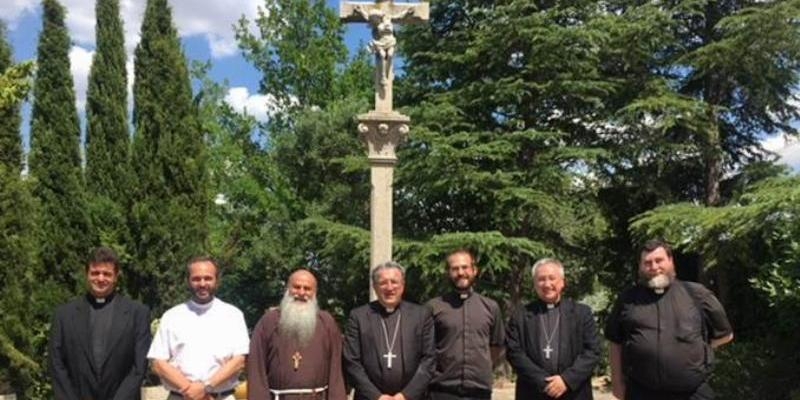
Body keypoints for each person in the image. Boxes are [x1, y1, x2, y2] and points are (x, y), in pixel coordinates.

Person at [605, 240, 734, 400]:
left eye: (659, 260)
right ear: (640, 266)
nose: (654, 267)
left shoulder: (697, 294)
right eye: (647, 263)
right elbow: (615, 341)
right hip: (642, 392)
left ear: (670, 261)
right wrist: (617, 383)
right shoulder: (627, 300)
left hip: (692, 393)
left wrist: (697, 351)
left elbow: (725, 335)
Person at [49, 246, 151, 400]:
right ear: (86, 274)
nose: (101, 278)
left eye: (107, 274)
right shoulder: (64, 315)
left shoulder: (137, 313)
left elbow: (139, 366)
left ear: (116, 276)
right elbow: (56, 364)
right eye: (95, 273)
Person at [148, 256, 249, 400]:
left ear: (217, 281)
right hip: (181, 396)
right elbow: (158, 363)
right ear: (188, 281)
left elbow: (240, 361)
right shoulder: (172, 316)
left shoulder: (233, 315)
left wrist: (207, 386)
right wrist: (191, 390)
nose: (202, 284)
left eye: (208, 278)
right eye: (196, 279)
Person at [506, 258, 600, 400]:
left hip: (574, 393)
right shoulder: (521, 316)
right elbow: (514, 353)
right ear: (535, 284)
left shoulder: (582, 313)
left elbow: (592, 351)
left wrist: (566, 380)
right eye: (541, 279)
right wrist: (543, 382)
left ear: (562, 282)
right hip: (533, 392)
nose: (547, 284)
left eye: (552, 278)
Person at [247, 269, 346, 400]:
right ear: (287, 289)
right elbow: (256, 368)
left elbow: (336, 369)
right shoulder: (269, 321)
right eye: (296, 287)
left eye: (307, 288)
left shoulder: (326, 322)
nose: (301, 292)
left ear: (314, 292)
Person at [344, 261, 435, 400]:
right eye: (383, 283)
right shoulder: (358, 316)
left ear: (403, 285)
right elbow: (352, 361)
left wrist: (406, 395)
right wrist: (377, 396)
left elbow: (428, 359)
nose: (389, 287)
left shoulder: (421, 315)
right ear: (374, 287)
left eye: (394, 282)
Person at [426, 249, 505, 400]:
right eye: (455, 269)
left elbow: (496, 346)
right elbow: (426, 349)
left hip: (479, 389)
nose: (460, 272)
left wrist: (483, 368)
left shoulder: (490, 307)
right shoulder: (433, 307)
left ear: (474, 270)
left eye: (465, 267)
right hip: (442, 390)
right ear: (448, 273)